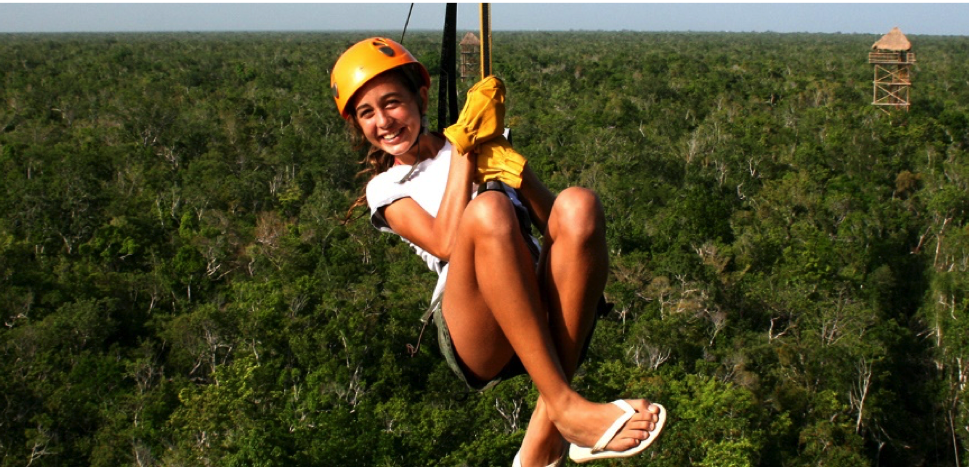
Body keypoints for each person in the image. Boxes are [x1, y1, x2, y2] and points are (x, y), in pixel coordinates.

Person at [331, 37, 665, 466]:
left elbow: (563, 230)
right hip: (476, 327)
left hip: (534, 296)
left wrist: (519, 175)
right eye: (367, 113)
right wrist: (466, 153)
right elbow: (446, 243)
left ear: (421, 96)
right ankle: (564, 407)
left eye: (392, 103)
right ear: (358, 126)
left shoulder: (473, 140)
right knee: (488, 209)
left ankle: (549, 433)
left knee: (579, 202)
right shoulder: (386, 188)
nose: (384, 121)